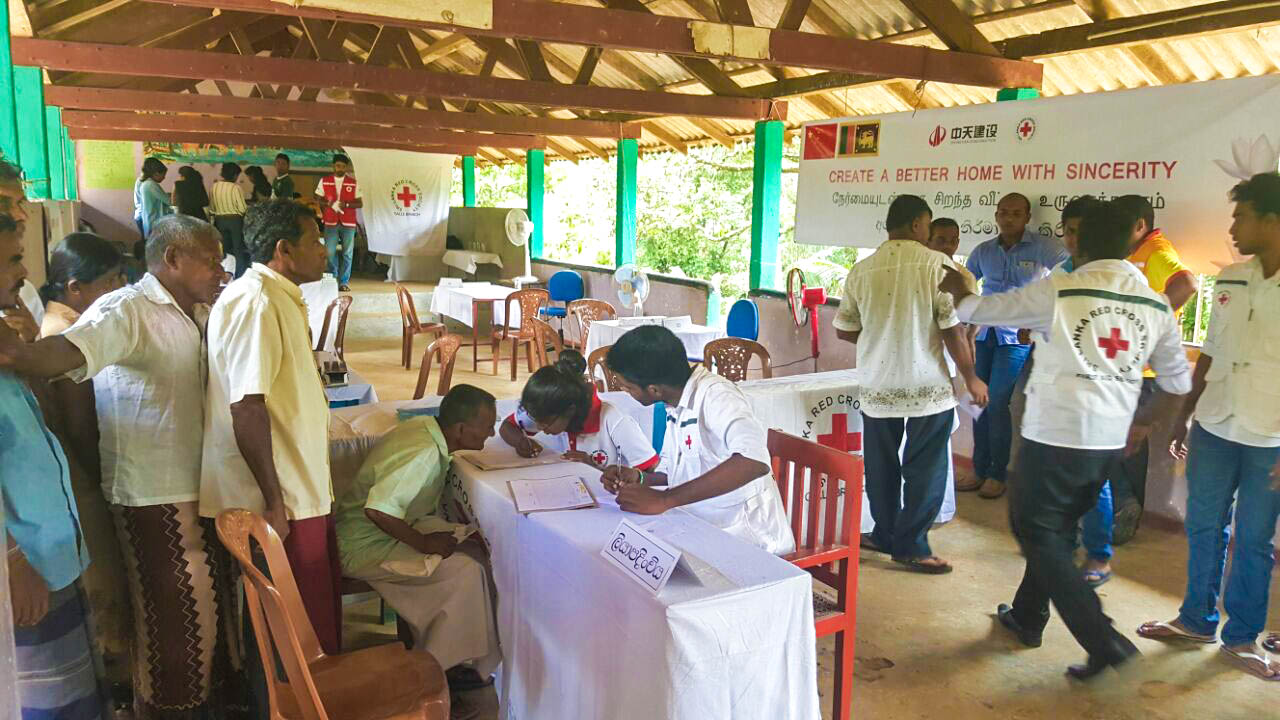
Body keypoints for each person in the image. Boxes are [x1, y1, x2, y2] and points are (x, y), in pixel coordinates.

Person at [939, 200, 1190, 679]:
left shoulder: (1062, 290)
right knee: (1056, 533)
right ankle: (1028, 617)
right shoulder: (1153, 303)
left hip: (1055, 438)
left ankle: (1106, 641)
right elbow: (1177, 384)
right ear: (1129, 243)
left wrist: (958, 289)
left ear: (1082, 242)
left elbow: (986, 309)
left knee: (1035, 532)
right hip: (1107, 443)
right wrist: (1143, 424)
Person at [0, 215, 239, 717]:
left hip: (198, 489)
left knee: (203, 633)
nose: (220, 270)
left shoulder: (196, 311)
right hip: (153, 498)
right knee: (173, 636)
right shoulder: (127, 308)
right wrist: (17, 353)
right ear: (172, 259)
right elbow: (68, 351)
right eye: (210, 259)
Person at [1137, 173, 1280, 681]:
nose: (1233, 229)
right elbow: (1211, 352)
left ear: (1272, 220)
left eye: (1242, 217)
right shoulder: (1233, 279)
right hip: (1216, 423)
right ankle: (1196, 620)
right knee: (1202, 525)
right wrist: (1184, 415)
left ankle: (1241, 637)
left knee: (1254, 539)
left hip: (1270, 434)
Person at [200, 199, 341, 653]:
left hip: (299, 487)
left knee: (311, 617)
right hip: (282, 500)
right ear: (284, 249)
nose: (325, 250)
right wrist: (274, 501)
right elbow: (247, 406)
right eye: (314, 241)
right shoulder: (258, 302)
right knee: (294, 634)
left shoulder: (278, 296)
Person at [834, 196, 988, 574]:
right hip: (927, 386)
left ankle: (886, 534)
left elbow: (844, 329)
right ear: (919, 224)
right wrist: (970, 376)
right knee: (926, 468)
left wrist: (880, 340)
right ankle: (913, 546)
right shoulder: (939, 267)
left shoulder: (861, 270)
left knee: (881, 465)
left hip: (878, 385)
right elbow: (953, 331)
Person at [336, 384, 501, 717]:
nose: (492, 433)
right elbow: (378, 511)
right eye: (487, 426)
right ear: (460, 429)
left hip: (386, 529)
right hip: (364, 545)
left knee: (472, 547)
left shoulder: (424, 428)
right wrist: (424, 544)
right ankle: (440, 668)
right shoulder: (423, 453)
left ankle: (452, 656)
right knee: (466, 573)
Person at [0, 214, 105, 719]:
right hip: (24, 564)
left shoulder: (6, 340)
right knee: (50, 705)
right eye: (13, 260)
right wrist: (13, 562)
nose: (24, 273)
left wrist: (26, 356)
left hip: (53, 553)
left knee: (77, 694)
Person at [601, 325, 794, 555]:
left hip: (747, 536)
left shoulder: (717, 396)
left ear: (654, 390)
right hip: (699, 523)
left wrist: (665, 499)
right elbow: (680, 472)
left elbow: (754, 461)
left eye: (628, 388)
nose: (625, 392)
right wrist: (640, 477)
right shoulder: (674, 401)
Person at [35, 233, 132, 691]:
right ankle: (115, 682)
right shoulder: (64, 335)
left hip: (77, 479)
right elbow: (79, 427)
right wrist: (103, 487)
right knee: (105, 582)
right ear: (75, 287)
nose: (119, 290)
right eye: (110, 281)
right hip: (83, 482)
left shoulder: (69, 322)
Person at [1098, 194, 1199, 546]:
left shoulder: (1156, 251)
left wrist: (1149, 324)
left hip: (1143, 372)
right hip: (1123, 366)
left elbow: (1187, 284)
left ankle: (1125, 510)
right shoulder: (1130, 253)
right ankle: (1122, 508)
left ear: (1140, 224)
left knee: (1124, 444)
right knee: (1118, 442)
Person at [964, 193, 1070, 499]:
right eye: (1004, 212)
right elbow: (965, 284)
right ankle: (978, 469)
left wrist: (1038, 317)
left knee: (997, 401)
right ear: (996, 215)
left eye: (1016, 213)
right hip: (983, 335)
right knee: (978, 402)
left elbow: (1070, 274)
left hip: (1015, 338)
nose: (1009, 218)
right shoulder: (984, 251)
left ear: (1027, 218)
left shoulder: (1043, 248)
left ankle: (997, 474)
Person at [500, 349, 660, 471]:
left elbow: (651, 469)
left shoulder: (615, 421)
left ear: (570, 411)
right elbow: (507, 426)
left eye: (545, 424)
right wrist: (520, 441)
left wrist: (593, 466)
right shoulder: (545, 412)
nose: (540, 428)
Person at [315, 153, 362, 291]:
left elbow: (360, 203)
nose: (340, 168)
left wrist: (346, 205)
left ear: (346, 167)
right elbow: (317, 198)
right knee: (329, 252)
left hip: (348, 222)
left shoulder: (353, 183)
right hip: (330, 221)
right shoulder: (325, 181)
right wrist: (329, 203)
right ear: (333, 166)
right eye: (337, 166)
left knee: (347, 253)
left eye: (342, 166)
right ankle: (333, 276)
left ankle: (344, 282)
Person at [210, 162, 249, 278]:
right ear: (235, 175)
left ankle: (225, 275)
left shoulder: (214, 187)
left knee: (224, 250)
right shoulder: (236, 188)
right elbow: (242, 208)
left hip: (219, 220)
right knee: (238, 249)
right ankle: (239, 275)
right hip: (235, 221)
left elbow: (212, 207)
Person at [133, 157, 172, 240]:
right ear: (156, 173)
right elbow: (169, 201)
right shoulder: (150, 184)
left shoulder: (143, 181)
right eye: (163, 175)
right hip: (151, 220)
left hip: (144, 217)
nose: (164, 178)